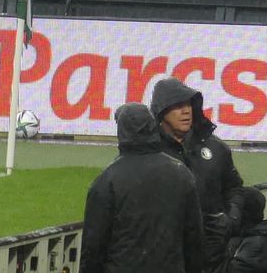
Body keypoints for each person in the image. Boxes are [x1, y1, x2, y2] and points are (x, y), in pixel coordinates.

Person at [80, 102, 204, 273]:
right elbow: (194, 238)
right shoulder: (181, 173)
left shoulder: (107, 180)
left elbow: (93, 247)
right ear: (153, 128)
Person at [151, 76, 250, 267]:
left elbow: (234, 187)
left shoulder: (216, 148)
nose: (186, 110)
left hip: (213, 253)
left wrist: (231, 219)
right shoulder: (150, 152)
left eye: (188, 104)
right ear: (162, 112)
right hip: (167, 255)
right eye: (178, 105)